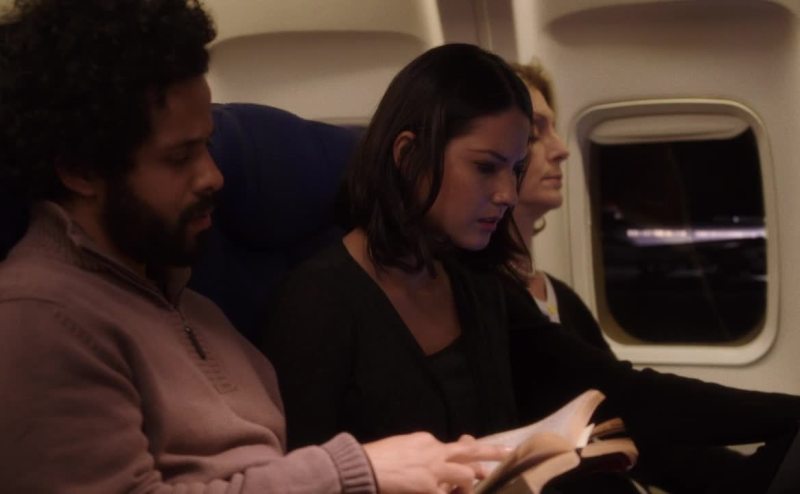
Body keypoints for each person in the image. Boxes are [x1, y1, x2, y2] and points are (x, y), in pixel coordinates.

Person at [0, 2, 508, 492]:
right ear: (81, 170)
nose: (213, 176)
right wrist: (356, 472)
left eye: (207, 145)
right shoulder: (40, 319)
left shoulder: (187, 303)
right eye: (179, 157)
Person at [264, 43, 800, 494]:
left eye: (515, 169)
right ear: (408, 157)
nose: (506, 192)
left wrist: (788, 413)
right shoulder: (319, 301)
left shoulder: (476, 284)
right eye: (486, 167)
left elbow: (620, 392)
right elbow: (313, 477)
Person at [507, 61, 754, 493]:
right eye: (533, 134)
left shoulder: (558, 296)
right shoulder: (490, 302)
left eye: (555, 129)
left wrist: (752, 474)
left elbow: (626, 421)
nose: (561, 149)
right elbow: (629, 397)